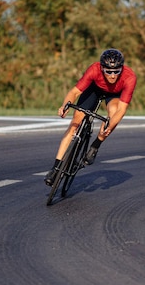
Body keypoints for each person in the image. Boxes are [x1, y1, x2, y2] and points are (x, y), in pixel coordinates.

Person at [44, 48, 137, 186]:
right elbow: (74, 92)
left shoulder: (130, 77)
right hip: (94, 89)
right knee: (75, 123)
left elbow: (121, 110)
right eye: (108, 71)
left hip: (114, 95)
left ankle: (95, 145)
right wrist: (65, 106)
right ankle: (55, 168)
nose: (112, 75)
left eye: (116, 71)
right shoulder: (94, 69)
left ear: (121, 69)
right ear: (101, 68)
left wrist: (109, 126)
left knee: (113, 113)